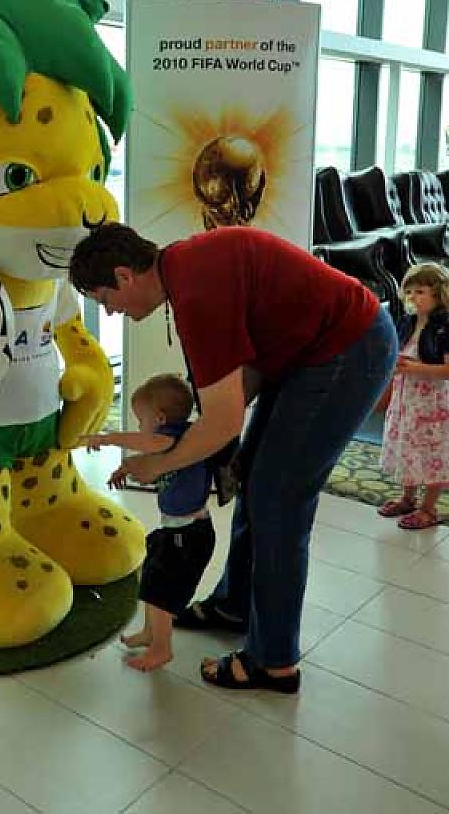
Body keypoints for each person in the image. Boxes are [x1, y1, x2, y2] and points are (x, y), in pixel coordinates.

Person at [69, 221, 397, 694]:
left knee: (277, 503)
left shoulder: (196, 293)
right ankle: (235, 604)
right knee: (254, 479)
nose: (110, 312)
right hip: (308, 353)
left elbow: (222, 421)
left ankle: (274, 661)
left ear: (124, 275)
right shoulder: (184, 267)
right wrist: (210, 445)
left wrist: (157, 465)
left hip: (347, 349)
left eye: (105, 299)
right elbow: (237, 388)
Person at [83, 373, 216, 672]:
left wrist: (107, 438)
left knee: (161, 594)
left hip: (187, 535)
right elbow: (152, 463)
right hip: (177, 530)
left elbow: (149, 442)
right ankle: (149, 633)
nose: (140, 426)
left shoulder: (175, 436)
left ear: (159, 419)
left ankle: (161, 649)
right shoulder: (174, 443)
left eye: (140, 420)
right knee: (152, 580)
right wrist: (125, 469)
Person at [378, 262, 449, 529]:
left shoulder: (445, 328)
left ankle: (428, 509)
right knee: (408, 448)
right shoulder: (407, 322)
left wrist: (414, 368)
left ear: (438, 293)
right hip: (406, 401)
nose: (413, 297)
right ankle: (407, 498)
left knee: (432, 453)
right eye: (410, 292)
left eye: (420, 292)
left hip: (433, 403)